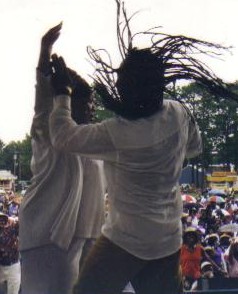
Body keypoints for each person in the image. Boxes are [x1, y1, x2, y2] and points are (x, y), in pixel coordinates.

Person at [48, 2, 238, 293]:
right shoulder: (179, 113)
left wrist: (62, 93)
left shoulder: (117, 133)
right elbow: (194, 149)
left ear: (129, 89)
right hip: (166, 240)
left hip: (122, 242)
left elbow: (62, 136)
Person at [19, 23, 106, 294]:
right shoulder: (50, 129)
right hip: (48, 234)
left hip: (85, 235)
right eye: (86, 101)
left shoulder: (95, 140)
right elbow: (42, 97)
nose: (92, 108)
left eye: (93, 102)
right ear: (63, 100)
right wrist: (44, 52)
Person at [0, 212, 20, 294]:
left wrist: (15, 220)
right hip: (1, 265)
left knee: (13, 291)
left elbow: (25, 222)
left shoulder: (13, 226)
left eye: (3, 219)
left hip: (13, 264)